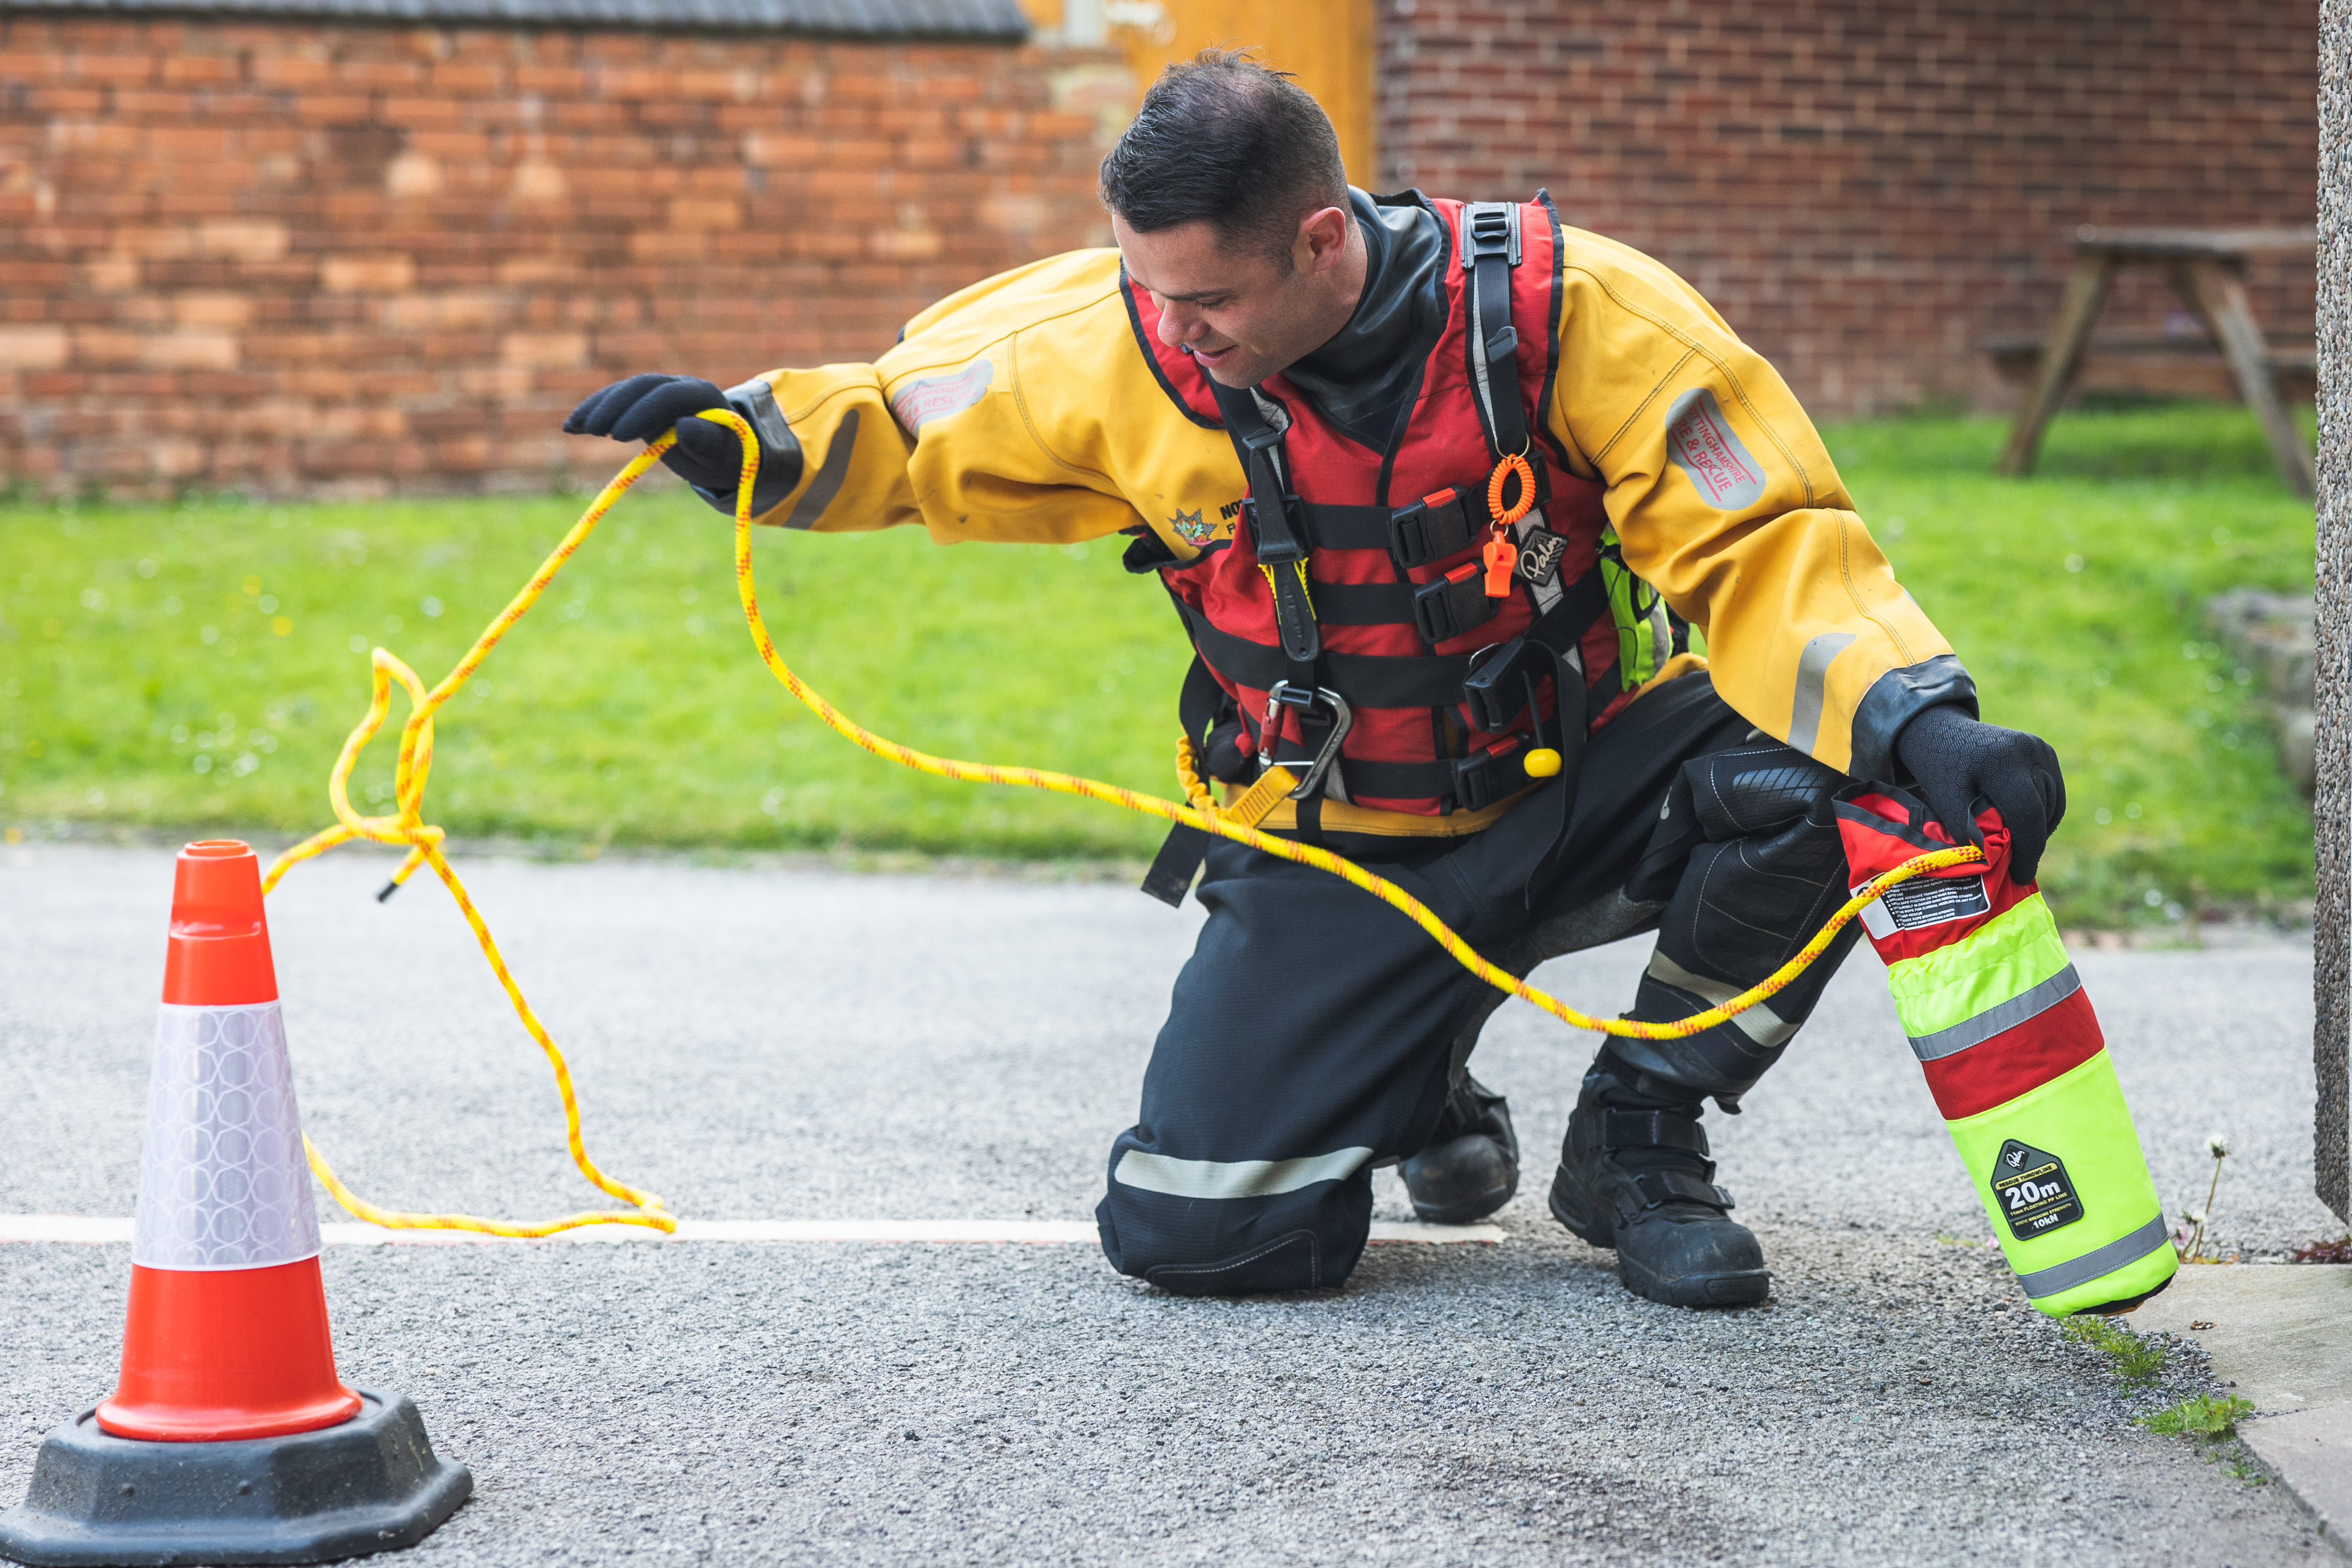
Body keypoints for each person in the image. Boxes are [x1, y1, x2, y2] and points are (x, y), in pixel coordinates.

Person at [565, 52, 2064, 1308]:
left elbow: (1765, 535)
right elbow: (913, 411)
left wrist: (1922, 714)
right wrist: (751, 438)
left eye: (1206, 297)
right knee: (1203, 1227)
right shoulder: (1126, 340)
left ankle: (1642, 1135)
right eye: (1150, 290)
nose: (1176, 329)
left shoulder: (1575, 315)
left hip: (1584, 786)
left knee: (1854, 766)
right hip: (1337, 841)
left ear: (1323, 241)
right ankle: (1417, 1070)